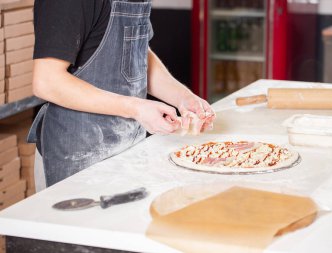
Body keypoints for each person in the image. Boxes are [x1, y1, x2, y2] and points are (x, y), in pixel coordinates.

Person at [28, 0, 216, 190]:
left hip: (127, 152)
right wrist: (136, 108)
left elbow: (137, 53)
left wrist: (183, 97)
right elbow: (47, 81)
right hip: (76, 160)